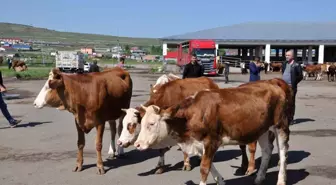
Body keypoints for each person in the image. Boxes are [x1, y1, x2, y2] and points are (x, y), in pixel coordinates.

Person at [282, 50, 303, 124]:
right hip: (283, 86)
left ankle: (291, 119)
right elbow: (283, 72)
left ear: (293, 56)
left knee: (291, 103)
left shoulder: (297, 65)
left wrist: (293, 83)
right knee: (284, 102)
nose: (286, 57)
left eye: (288, 55)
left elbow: (300, 76)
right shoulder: (284, 64)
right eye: (286, 55)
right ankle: (284, 118)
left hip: (291, 87)